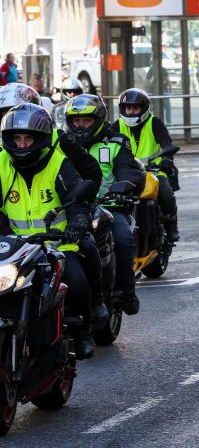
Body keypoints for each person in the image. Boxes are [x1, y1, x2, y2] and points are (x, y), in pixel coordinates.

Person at [0, 104, 96, 358]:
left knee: (76, 281)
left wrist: (77, 224)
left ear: (40, 139)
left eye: (28, 138)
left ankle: (83, 332)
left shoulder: (58, 163)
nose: (21, 145)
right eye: (16, 138)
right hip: (12, 248)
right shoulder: (0, 162)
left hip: (56, 246)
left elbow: (77, 199)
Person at [64, 94, 145, 316]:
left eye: (86, 121)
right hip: (69, 209)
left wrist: (123, 186)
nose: (80, 126)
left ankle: (126, 292)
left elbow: (129, 169)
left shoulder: (115, 143)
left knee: (121, 237)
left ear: (98, 120)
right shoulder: (62, 146)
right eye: (75, 121)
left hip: (108, 206)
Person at [110, 88, 180, 243]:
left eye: (135, 108)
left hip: (153, 172)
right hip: (126, 173)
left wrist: (167, 159)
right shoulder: (116, 126)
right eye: (128, 108)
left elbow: (167, 143)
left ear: (144, 109)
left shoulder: (154, 123)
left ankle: (171, 225)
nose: (131, 111)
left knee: (166, 194)